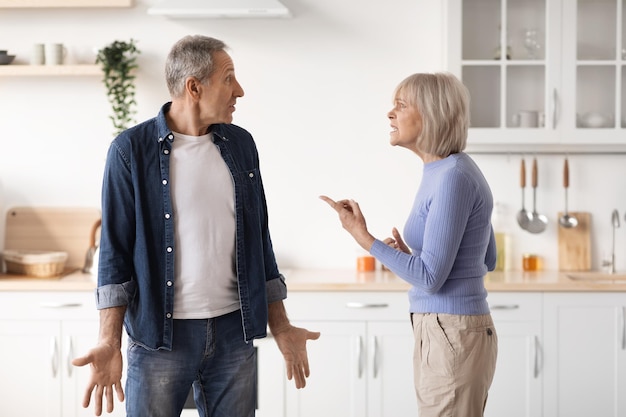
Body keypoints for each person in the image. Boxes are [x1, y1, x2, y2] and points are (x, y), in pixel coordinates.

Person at [72, 35, 320, 417]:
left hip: (233, 333)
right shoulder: (130, 150)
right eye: (229, 79)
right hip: (160, 338)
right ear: (194, 86)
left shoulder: (241, 145)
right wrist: (109, 341)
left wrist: (282, 325)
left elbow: (258, 242)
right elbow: (115, 255)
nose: (239, 90)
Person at [320, 72, 497, 417]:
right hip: (451, 330)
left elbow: (431, 277)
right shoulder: (448, 170)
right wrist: (409, 256)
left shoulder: (453, 177)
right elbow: (486, 257)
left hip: (452, 331)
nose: (390, 114)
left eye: (401, 105)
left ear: (432, 114)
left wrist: (363, 237)